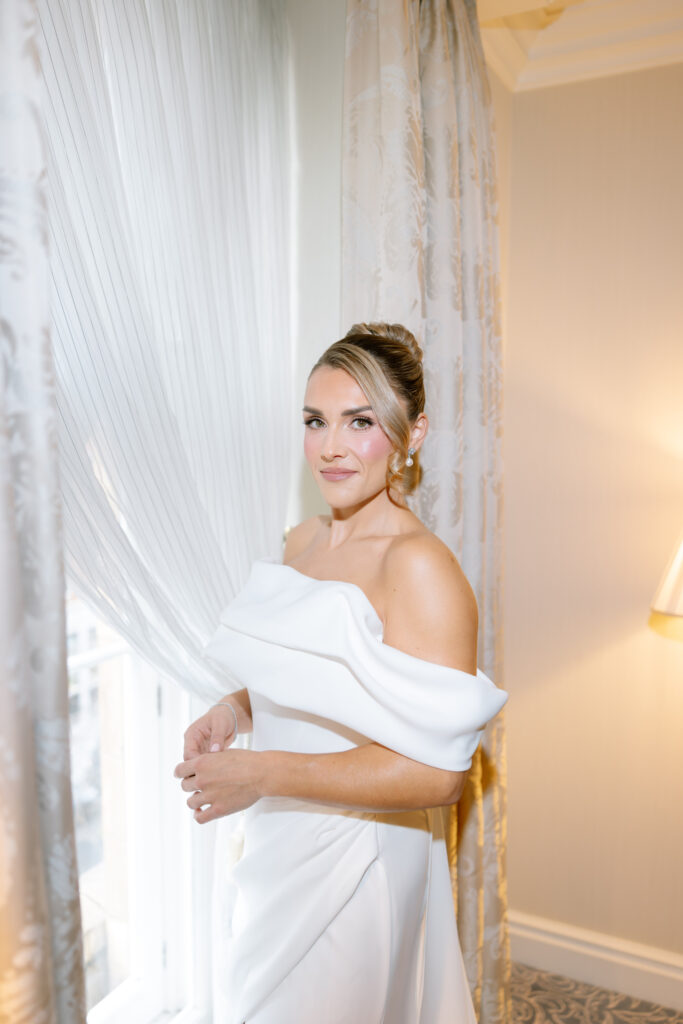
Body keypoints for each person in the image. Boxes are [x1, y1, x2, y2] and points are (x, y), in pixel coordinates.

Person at [173, 322, 509, 1024]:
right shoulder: (302, 539)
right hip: (279, 839)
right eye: (314, 420)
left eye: (359, 422)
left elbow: (439, 776)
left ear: (411, 434)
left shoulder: (417, 567)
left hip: (359, 859)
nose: (329, 446)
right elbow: (310, 679)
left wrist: (263, 773)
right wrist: (235, 712)